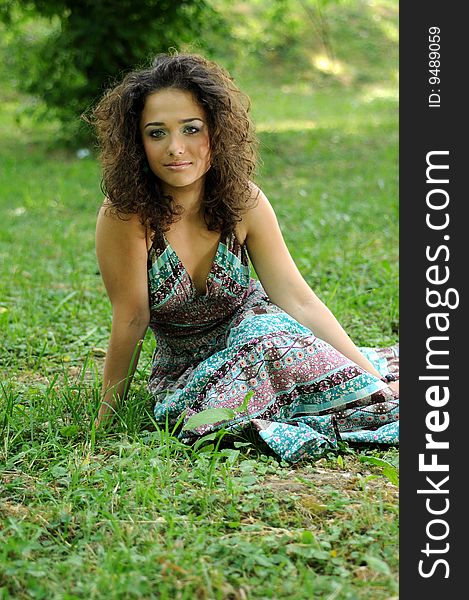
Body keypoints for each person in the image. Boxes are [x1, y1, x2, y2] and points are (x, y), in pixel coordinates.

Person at [90, 52, 399, 463]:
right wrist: (106, 418)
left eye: (191, 128)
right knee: (220, 405)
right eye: (156, 133)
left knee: (268, 335)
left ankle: (372, 390)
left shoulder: (244, 201)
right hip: (191, 372)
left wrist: (371, 376)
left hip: (267, 337)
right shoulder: (126, 214)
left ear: (217, 132)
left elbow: (297, 299)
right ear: (136, 142)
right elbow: (131, 317)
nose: (176, 148)